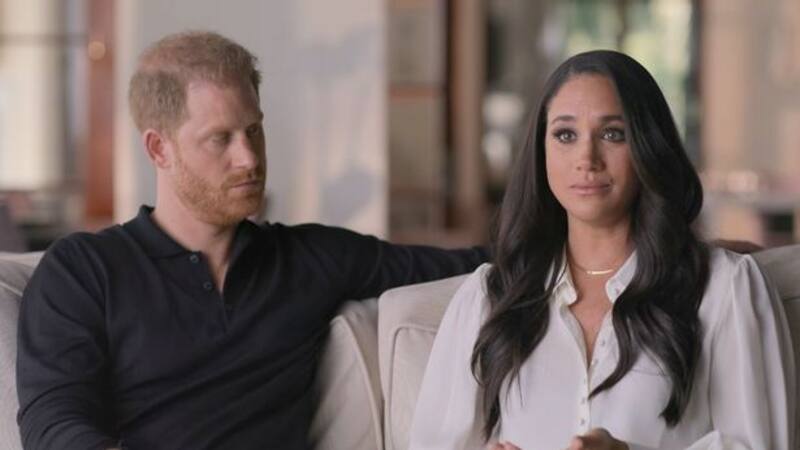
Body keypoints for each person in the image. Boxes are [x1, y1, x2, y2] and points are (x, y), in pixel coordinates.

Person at [16, 31, 487, 450]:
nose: (249, 159)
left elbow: (474, 266)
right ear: (159, 148)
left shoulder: (308, 259)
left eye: (254, 130)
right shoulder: (84, 269)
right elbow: (53, 421)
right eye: (220, 139)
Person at [409, 50, 796, 450]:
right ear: (541, 152)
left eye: (613, 134)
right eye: (565, 135)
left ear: (649, 145)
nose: (586, 159)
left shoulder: (724, 288)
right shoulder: (489, 297)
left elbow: (761, 444)